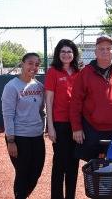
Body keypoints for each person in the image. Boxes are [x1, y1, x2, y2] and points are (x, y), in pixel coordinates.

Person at [1, 53, 45, 199]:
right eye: (30, 63)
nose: (33, 67)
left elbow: (41, 110)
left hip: (37, 136)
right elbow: (7, 115)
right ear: (22, 64)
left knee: (36, 172)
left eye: (37, 64)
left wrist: (44, 128)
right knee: (23, 172)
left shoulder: (39, 86)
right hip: (19, 137)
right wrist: (11, 140)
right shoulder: (12, 86)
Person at [44, 39, 81, 199]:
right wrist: (50, 126)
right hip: (59, 124)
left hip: (77, 125)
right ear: (58, 54)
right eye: (63, 51)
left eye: (69, 52)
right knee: (59, 164)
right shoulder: (53, 71)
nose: (66, 54)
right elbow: (49, 100)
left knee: (73, 163)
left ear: (74, 54)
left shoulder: (80, 71)